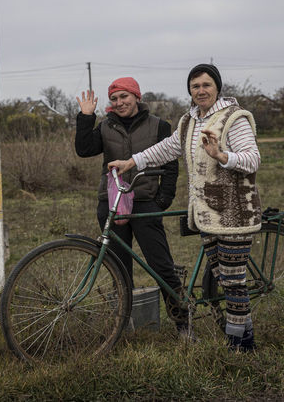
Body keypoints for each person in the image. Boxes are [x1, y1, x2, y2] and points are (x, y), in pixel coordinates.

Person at [108, 64, 262, 352]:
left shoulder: (233, 118)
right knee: (221, 278)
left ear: (217, 87)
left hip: (234, 212)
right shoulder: (189, 121)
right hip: (206, 213)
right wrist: (131, 162)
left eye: (206, 85)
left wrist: (221, 155)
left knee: (233, 282)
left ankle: (242, 347)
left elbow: (252, 160)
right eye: (195, 86)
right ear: (189, 91)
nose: (200, 91)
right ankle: (241, 339)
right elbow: (166, 149)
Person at [75, 77, 187, 335]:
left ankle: (182, 322)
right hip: (111, 204)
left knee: (161, 266)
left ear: (137, 96)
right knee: (119, 268)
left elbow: (171, 166)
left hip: (146, 203)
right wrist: (85, 117)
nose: (119, 102)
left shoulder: (159, 125)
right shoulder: (105, 126)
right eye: (114, 99)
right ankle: (124, 326)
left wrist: (161, 201)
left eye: (124, 96)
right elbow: (83, 149)